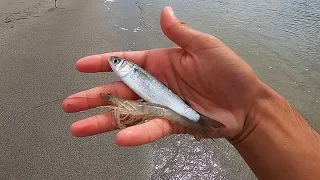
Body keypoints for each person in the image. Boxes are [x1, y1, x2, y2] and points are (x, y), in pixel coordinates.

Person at [62, 6, 320, 180]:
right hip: (171, 102)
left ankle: (199, 122)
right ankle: (201, 122)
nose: (115, 65)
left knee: (183, 115)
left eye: (118, 63)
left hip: (175, 104)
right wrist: (252, 117)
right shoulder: (132, 72)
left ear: (127, 67)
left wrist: (251, 113)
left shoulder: (133, 71)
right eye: (116, 63)